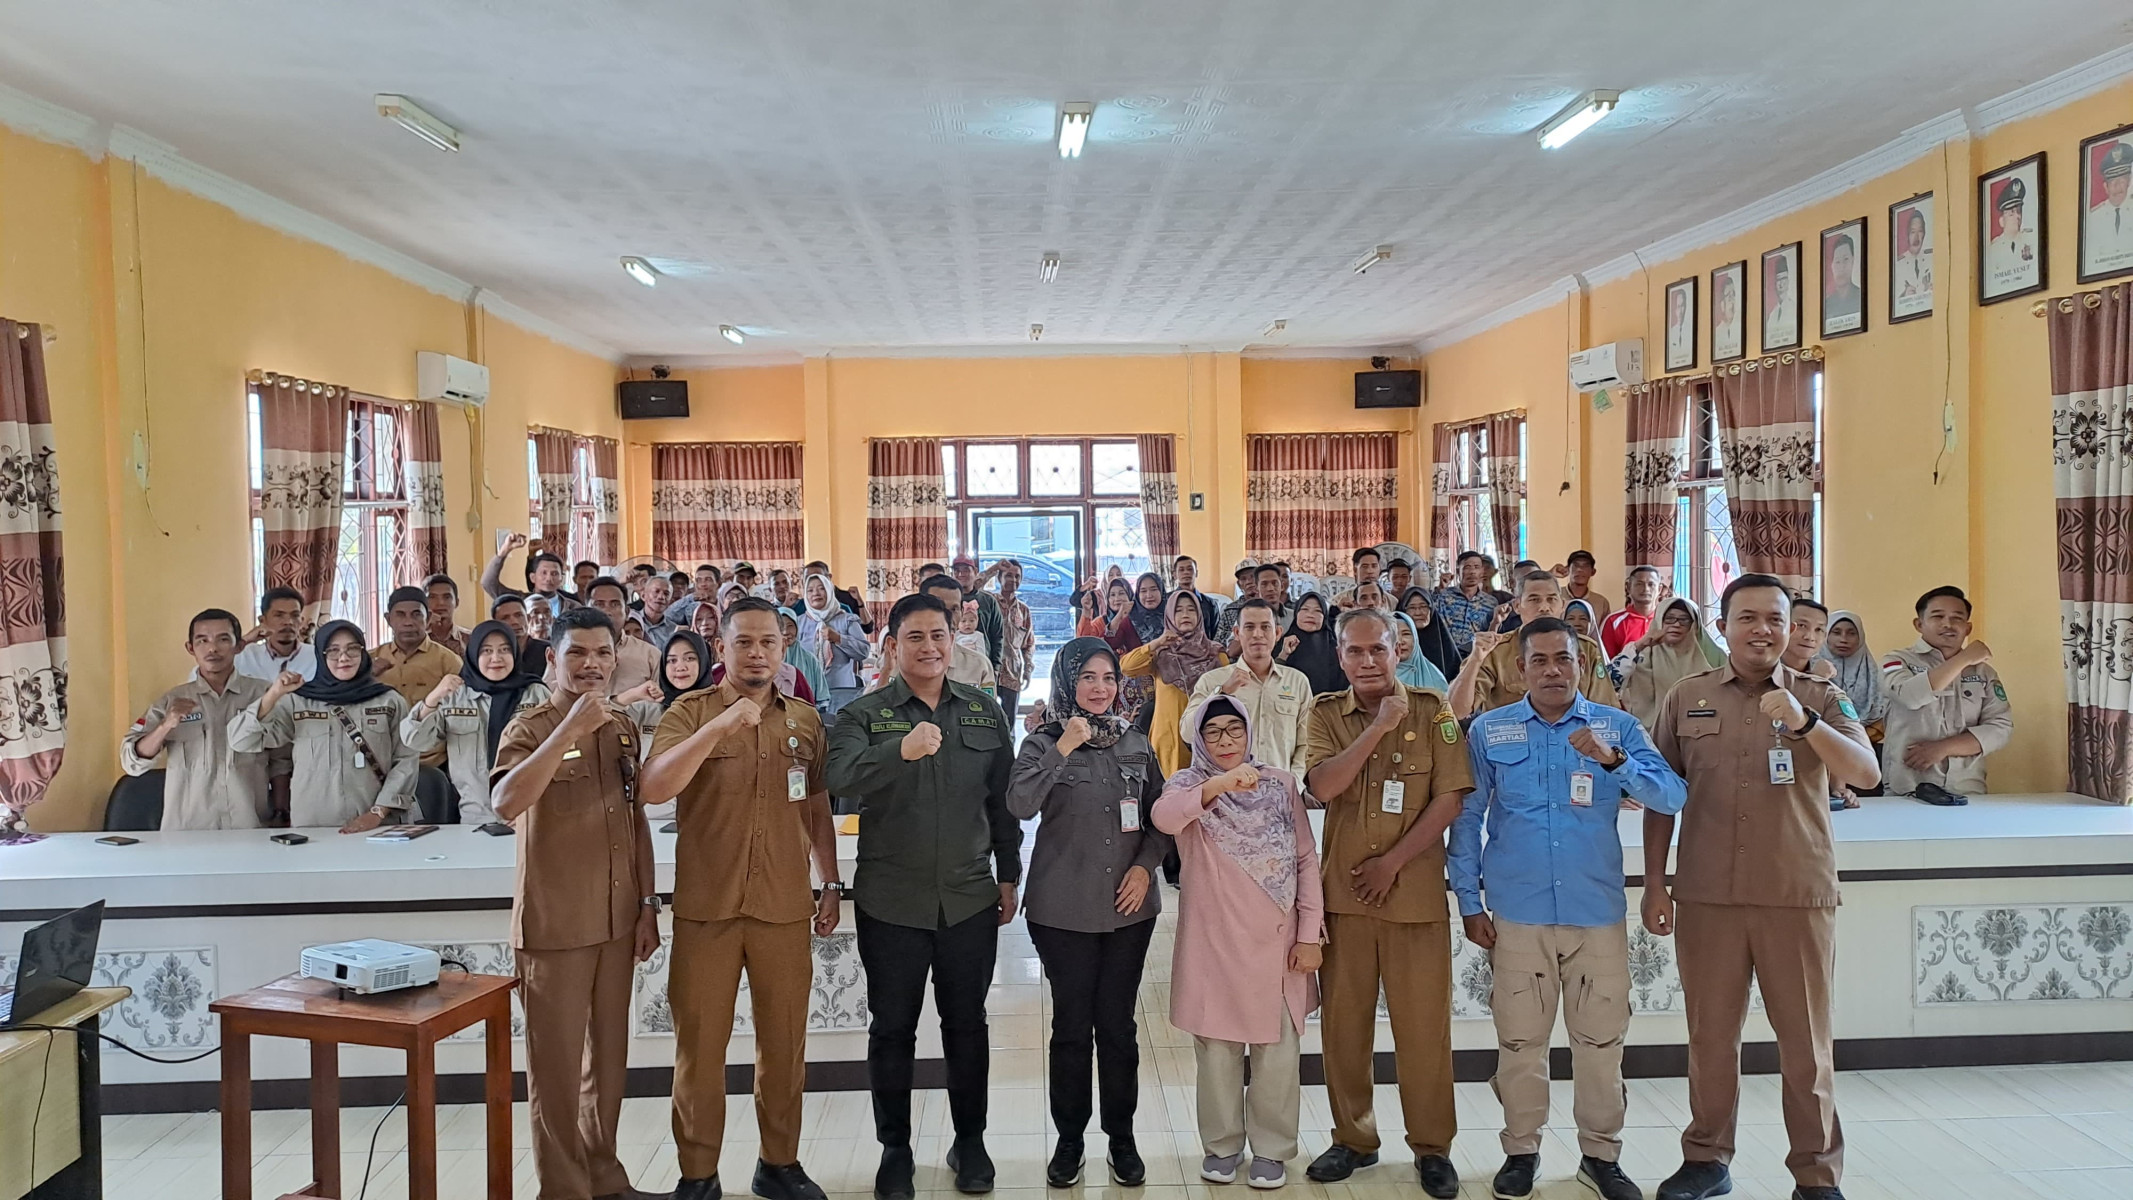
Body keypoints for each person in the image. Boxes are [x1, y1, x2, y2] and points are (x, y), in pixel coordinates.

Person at [1641, 575, 1878, 1200]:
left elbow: (1866, 773)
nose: (1763, 630)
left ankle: (1817, 1175)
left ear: (1792, 628)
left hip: (1794, 894)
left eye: (1776, 618)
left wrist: (1805, 723)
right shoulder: (1687, 697)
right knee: (1711, 1038)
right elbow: (1660, 796)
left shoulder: (1820, 695)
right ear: (1723, 627)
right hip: (1707, 895)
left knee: (1806, 1045)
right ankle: (1706, 1159)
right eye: (1747, 618)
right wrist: (1655, 884)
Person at [1452, 618, 1686, 1200]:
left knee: (1601, 1043)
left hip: (1595, 911)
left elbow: (1671, 795)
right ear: (1521, 668)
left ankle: (1601, 1156)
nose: (1553, 670)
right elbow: (1467, 818)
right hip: (1518, 911)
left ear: (1582, 665)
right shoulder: (1490, 730)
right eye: (1540, 660)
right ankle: (1521, 1151)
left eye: (1564, 659)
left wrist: (1614, 761)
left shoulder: (1617, 726)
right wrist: (1468, 901)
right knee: (1520, 1042)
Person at [637, 598, 841, 1200]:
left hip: (783, 905)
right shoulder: (690, 712)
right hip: (709, 909)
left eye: (768, 643)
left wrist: (829, 881)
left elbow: (817, 807)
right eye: (743, 643)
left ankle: (778, 1163)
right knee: (699, 1051)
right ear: (720, 647)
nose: (756, 654)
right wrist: (719, 729)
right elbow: (653, 787)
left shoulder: (804, 720)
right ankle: (698, 1174)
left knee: (784, 1047)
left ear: (784, 648)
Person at [825, 592, 1021, 1200]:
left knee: (967, 1025)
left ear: (954, 640)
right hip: (891, 901)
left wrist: (1010, 871)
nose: (929, 647)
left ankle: (970, 1142)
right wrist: (899, 751)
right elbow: (838, 777)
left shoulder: (984, 711)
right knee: (892, 1029)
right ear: (892, 645)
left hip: (969, 897)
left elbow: (1003, 801)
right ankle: (896, 1150)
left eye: (939, 635)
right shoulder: (864, 714)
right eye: (915, 636)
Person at [489, 606, 662, 1200]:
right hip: (556, 926)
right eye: (578, 653)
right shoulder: (532, 725)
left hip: (617, 920)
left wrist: (647, 903)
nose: (592, 664)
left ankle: (604, 1178)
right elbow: (505, 803)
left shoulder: (621, 725)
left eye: (603, 653)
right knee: (557, 1071)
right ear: (552, 659)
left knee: (608, 1064)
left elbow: (636, 819)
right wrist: (567, 731)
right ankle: (563, 1189)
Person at [1302, 608, 1473, 1199]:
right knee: (1343, 1030)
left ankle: (1432, 1146)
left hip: (1414, 899)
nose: (1368, 661)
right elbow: (1323, 786)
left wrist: (1392, 863)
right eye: (1355, 651)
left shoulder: (1432, 709)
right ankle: (1353, 1139)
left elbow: (1450, 798)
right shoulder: (1326, 713)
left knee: (1424, 1031)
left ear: (1399, 650)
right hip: (1345, 899)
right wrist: (1377, 727)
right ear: (1340, 656)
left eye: (1378, 649)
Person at [1009, 638, 1167, 1187]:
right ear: (1067, 682)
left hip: (1129, 910)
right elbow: (1020, 804)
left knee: (1118, 1028)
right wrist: (1063, 748)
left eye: (1108, 677)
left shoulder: (1136, 742)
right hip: (1062, 910)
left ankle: (1122, 1139)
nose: (1100, 688)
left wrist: (1144, 868)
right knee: (1073, 1028)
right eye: (1088, 678)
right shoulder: (1042, 741)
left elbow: (1161, 818)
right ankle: (1070, 1140)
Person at [1155, 695, 1323, 1191]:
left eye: (1234, 729)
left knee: (1278, 1053)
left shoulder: (1279, 784)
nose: (1225, 740)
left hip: (1278, 943)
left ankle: (1272, 1148)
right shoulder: (1187, 786)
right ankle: (1222, 1145)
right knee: (1217, 1053)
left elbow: (1305, 859)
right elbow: (1165, 818)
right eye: (1213, 732)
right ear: (1199, 740)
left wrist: (1309, 934)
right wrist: (1219, 785)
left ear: (1249, 733)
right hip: (1215, 943)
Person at [230, 620, 419, 831]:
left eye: (352, 649)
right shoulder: (297, 702)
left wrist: (378, 813)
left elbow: (406, 759)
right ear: (321, 655)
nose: (343, 658)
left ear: (363, 652)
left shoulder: (389, 701)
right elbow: (241, 740)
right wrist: (272, 695)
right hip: (314, 824)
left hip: (377, 825)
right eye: (333, 651)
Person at [123, 608, 277, 830]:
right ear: (190, 648)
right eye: (202, 640)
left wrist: (282, 812)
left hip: (249, 825)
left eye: (223, 639)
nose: (212, 648)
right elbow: (131, 761)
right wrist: (165, 726)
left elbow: (283, 759)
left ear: (240, 646)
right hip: (188, 829)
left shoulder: (263, 695)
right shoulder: (172, 700)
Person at [401, 621, 550, 825]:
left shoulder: (535, 694)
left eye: (504, 650)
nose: (496, 658)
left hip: (529, 815)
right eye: (486, 651)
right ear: (473, 655)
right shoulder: (455, 696)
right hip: (475, 817)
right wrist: (433, 698)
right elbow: (415, 741)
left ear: (515, 653)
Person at [1880, 586, 2012, 801]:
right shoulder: (1897, 661)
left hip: (1967, 788)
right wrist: (1964, 659)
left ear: (1968, 628)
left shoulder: (1984, 673)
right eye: (1937, 616)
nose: (1948, 624)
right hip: (1908, 788)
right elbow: (1910, 697)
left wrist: (1944, 748)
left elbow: (2000, 728)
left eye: (1957, 618)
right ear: (1919, 624)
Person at [1451, 573, 1618, 719]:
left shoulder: (1586, 649)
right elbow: (1456, 711)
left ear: (1562, 605)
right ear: (1517, 606)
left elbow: (1606, 713)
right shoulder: (1496, 651)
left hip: (1575, 740)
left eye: (1551, 599)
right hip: (1512, 740)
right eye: (1534, 600)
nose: (1544, 607)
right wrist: (1475, 660)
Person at [1184, 598, 1314, 777]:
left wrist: (1294, 783)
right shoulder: (1213, 680)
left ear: (1278, 633)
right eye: (1250, 627)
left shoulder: (1297, 682)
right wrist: (1222, 692)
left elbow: (1306, 743)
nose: (1257, 634)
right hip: (1226, 789)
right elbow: (1187, 733)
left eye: (1265, 627)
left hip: (1280, 787)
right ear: (1237, 633)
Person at [1121, 589, 1228, 774]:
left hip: (1206, 741)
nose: (1185, 614)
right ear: (1170, 616)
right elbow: (1127, 667)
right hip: (1169, 744)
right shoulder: (1160, 654)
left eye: (1191, 609)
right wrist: (1156, 643)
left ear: (1199, 615)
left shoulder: (1216, 654)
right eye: (1178, 610)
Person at [622, 631, 715, 821]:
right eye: (671, 660)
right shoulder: (648, 709)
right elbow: (603, 718)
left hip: (703, 818)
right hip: (653, 817)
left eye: (690, 658)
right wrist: (632, 694)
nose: (680, 667)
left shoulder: (718, 711)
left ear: (704, 661)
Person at [1615, 598, 1724, 735]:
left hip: (1702, 736)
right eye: (1669, 619)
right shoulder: (1641, 654)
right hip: (1649, 738)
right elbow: (1610, 683)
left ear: (1694, 625)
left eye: (1684, 620)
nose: (1676, 624)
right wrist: (1639, 645)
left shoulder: (1713, 655)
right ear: (1659, 621)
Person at [372, 585, 465, 710]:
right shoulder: (370, 660)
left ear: (428, 618)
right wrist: (366, 675)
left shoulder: (448, 661)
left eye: (416, 615)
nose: (408, 622)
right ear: (388, 619)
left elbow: (462, 706)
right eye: (400, 615)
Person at [569, 577, 662, 696]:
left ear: (627, 612)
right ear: (586, 610)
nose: (607, 612)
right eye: (599, 604)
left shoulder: (650, 655)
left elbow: (660, 700)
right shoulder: (569, 651)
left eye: (615, 604)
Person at [800, 572, 869, 716]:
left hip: (842, 693)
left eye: (821, 588)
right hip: (808, 694)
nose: (816, 593)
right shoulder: (799, 623)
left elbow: (864, 651)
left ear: (829, 590)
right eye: (810, 590)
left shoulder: (847, 619)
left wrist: (838, 639)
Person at [916, 577, 998, 693]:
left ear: (962, 612)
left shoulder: (979, 666)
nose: (948, 617)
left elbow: (988, 705)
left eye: (954, 609)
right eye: (939, 608)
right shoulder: (903, 663)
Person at [1108, 572, 1169, 726]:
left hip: (1167, 682)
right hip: (1135, 690)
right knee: (1135, 732)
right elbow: (1111, 642)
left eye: (1153, 589)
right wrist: (1120, 614)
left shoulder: (1172, 617)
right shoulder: (1131, 619)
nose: (1149, 595)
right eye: (1143, 591)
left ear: (1161, 591)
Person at [1819, 611, 1888, 731]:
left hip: (1867, 738)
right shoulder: (1808, 669)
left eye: (1851, 633)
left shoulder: (1874, 676)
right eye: (1836, 632)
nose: (1843, 639)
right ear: (1826, 635)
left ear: (1860, 638)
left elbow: (1884, 716)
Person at [482, 532, 579, 613]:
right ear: (532, 577)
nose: (549, 578)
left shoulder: (574, 607)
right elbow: (488, 583)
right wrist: (505, 550)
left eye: (554, 574)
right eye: (544, 573)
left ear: (561, 579)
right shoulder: (518, 601)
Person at [236, 586, 317, 681]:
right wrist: (245, 640)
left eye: (295, 615)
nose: (288, 622)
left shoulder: (316, 656)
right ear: (262, 620)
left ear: (301, 621)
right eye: (279, 615)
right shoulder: (245, 655)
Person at [989, 559, 1036, 719]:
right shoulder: (989, 602)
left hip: (1012, 674)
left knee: (1009, 722)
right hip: (989, 673)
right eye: (1008, 575)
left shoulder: (1023, 610)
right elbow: (973, 587)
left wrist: (1028, 670)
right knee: (988, 720)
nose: (1013, 580)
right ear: (999, 578)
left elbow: (1029, 644)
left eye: (1017, 576)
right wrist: (994, 568)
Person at [1432, 551, 1501, 656]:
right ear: (1458, 571)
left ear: (1482, 572)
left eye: (1476, 567)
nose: (1472, 572)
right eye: (1467, 567)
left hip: (1476, 656)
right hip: (1446, 655)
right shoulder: (1443, 595)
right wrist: (1440, 590)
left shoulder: (1491, 603)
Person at [1277, 592, 1346, 696]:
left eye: (1318, 611)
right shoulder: (1282, 645)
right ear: (1296, 613)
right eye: (1305, 609)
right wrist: (1283, 655)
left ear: (1324, 617)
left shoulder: (1336, 648)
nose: (1310, 615)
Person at [2085, 141, 2133, 275]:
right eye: (2112, 183)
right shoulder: (2094, 218)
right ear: (2105, 187)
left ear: (2129, 182)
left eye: (2121, 181)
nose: (2117, 187)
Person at [1397, 588, 1464, 683]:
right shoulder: (1396, 642)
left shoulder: (1443, 641)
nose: (1418, 613)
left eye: (1423, 607)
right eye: (1412, 608)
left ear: (1431, 609)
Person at [950, 556, 1006, 667]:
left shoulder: (989, 601)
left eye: (966, 570)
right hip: (954, 666)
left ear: (975, 572)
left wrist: (996, 667)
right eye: (957, 570)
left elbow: (997, 636)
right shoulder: (948, 600)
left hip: (983, 666)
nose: (961, 574)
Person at [1599, 566, 1664, 659]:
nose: (1646, 589)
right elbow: (1607, 661)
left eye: (1651, 584)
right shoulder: (1613, 621)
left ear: (1660, 589)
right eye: (1639, 584)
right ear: (1629, 587)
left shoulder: (1667, 619)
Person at [1987, 178, 2036, 291]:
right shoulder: (1994, 249)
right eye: (2011, 214)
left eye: (2019, 212)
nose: (2017, 217)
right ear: (2001, 221)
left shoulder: (2031, 239)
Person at [492, 592, 552, 679]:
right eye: (505, 618)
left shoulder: (549, 650)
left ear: (528, 618)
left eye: (519, 615)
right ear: (495, 624)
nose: (514, 622)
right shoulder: (491, 656)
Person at [778, 610, 828, 707]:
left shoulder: (810, 659)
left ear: (797, 628)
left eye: (790, 626)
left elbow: (822, 697)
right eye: (781, 626)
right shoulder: (769, 660)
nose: (785, 631)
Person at [1392, 612, 1450, 693]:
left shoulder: (1434, 676)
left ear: (1415, 639)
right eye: (1393, 635)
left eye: (1406, 634)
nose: (1400, 641)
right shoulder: (1377, 675)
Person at [1893, 206, 1933, 312]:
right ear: (1907, 235)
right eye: (1912, 232)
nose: (1916, 238)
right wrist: (1904, 296)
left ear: (1924, 234)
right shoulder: (1898, 264)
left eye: (1920, 231)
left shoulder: (1933, 258)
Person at [1556, 550, 1612, 623]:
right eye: (1576, 565)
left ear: (1593, 572)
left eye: (1585, 566)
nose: (1580, 569)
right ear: (1567, 569)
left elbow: (1605, 628)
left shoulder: (1601, 602)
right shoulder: (1556, 597)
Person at [424, 574, 471, 657]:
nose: (440, 603)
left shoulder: (471, 639)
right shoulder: (415, 639)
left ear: (457, 602)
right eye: (432, 597)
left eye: (447, 597)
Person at [1822, 234, 1862, 326]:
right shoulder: (1827, 304)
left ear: (1853, 260)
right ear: (1832, 266)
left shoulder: (1861, 296)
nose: (1842, 267)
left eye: (1846, 259)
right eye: (1837, 261)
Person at [1173, 555, 1220, 631]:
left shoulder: (1210, 603)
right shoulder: (1167, 601)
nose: (1186, 572)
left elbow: (1216, 633)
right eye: (1181, 570)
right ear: (1174, 575)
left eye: (1190, 569)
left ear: (1196, 573)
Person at [636, 575, 683, 651]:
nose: (661, 597)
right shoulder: (631, 622)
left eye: (666, 594)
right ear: (643, 596)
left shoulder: (674, 630)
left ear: (670, 601)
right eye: (656, 591)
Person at [1764, 254, 1797, 347]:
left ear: (1788, 280)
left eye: (1784, 278)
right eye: (1778, 279)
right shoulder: (1773, 314)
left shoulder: (1794, 308)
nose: (1781, 283)